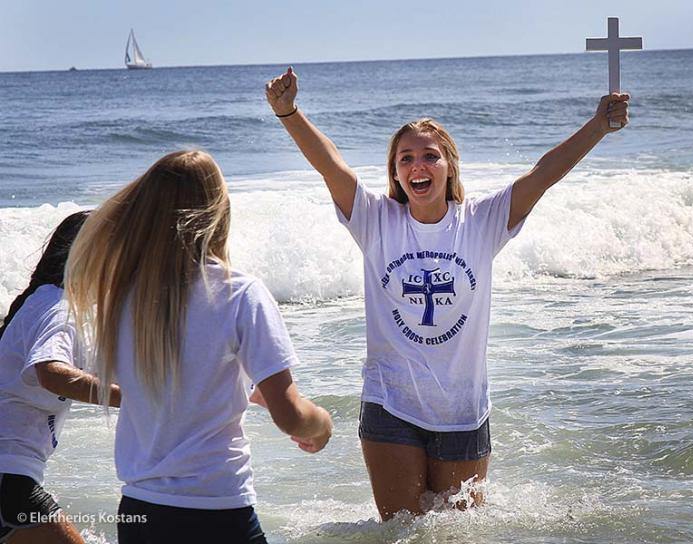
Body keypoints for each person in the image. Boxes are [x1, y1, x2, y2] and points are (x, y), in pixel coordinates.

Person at [265, 67, 629, 520]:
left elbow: (543, 175)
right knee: (401, 531)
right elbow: (329, 163)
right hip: (390, 402)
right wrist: (289, 113)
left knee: (457, 532)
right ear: (395, 173)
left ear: (449, 164)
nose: (418, 165)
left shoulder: (480, 222)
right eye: (405, 158)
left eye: (430, 156)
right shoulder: (375, 220)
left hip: (463, 410)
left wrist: (599, 126)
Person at [64, 150, 333, 544]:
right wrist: (322, 424)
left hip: (140, 512)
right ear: (218, 210)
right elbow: (292, 417)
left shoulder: (121, 299)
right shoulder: (240, 293)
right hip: (218, 509)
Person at [0, 211, 122, 544]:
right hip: (9, 479)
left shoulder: (42, 300)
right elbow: (51, 373)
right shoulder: (60, 308)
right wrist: (133, 398)